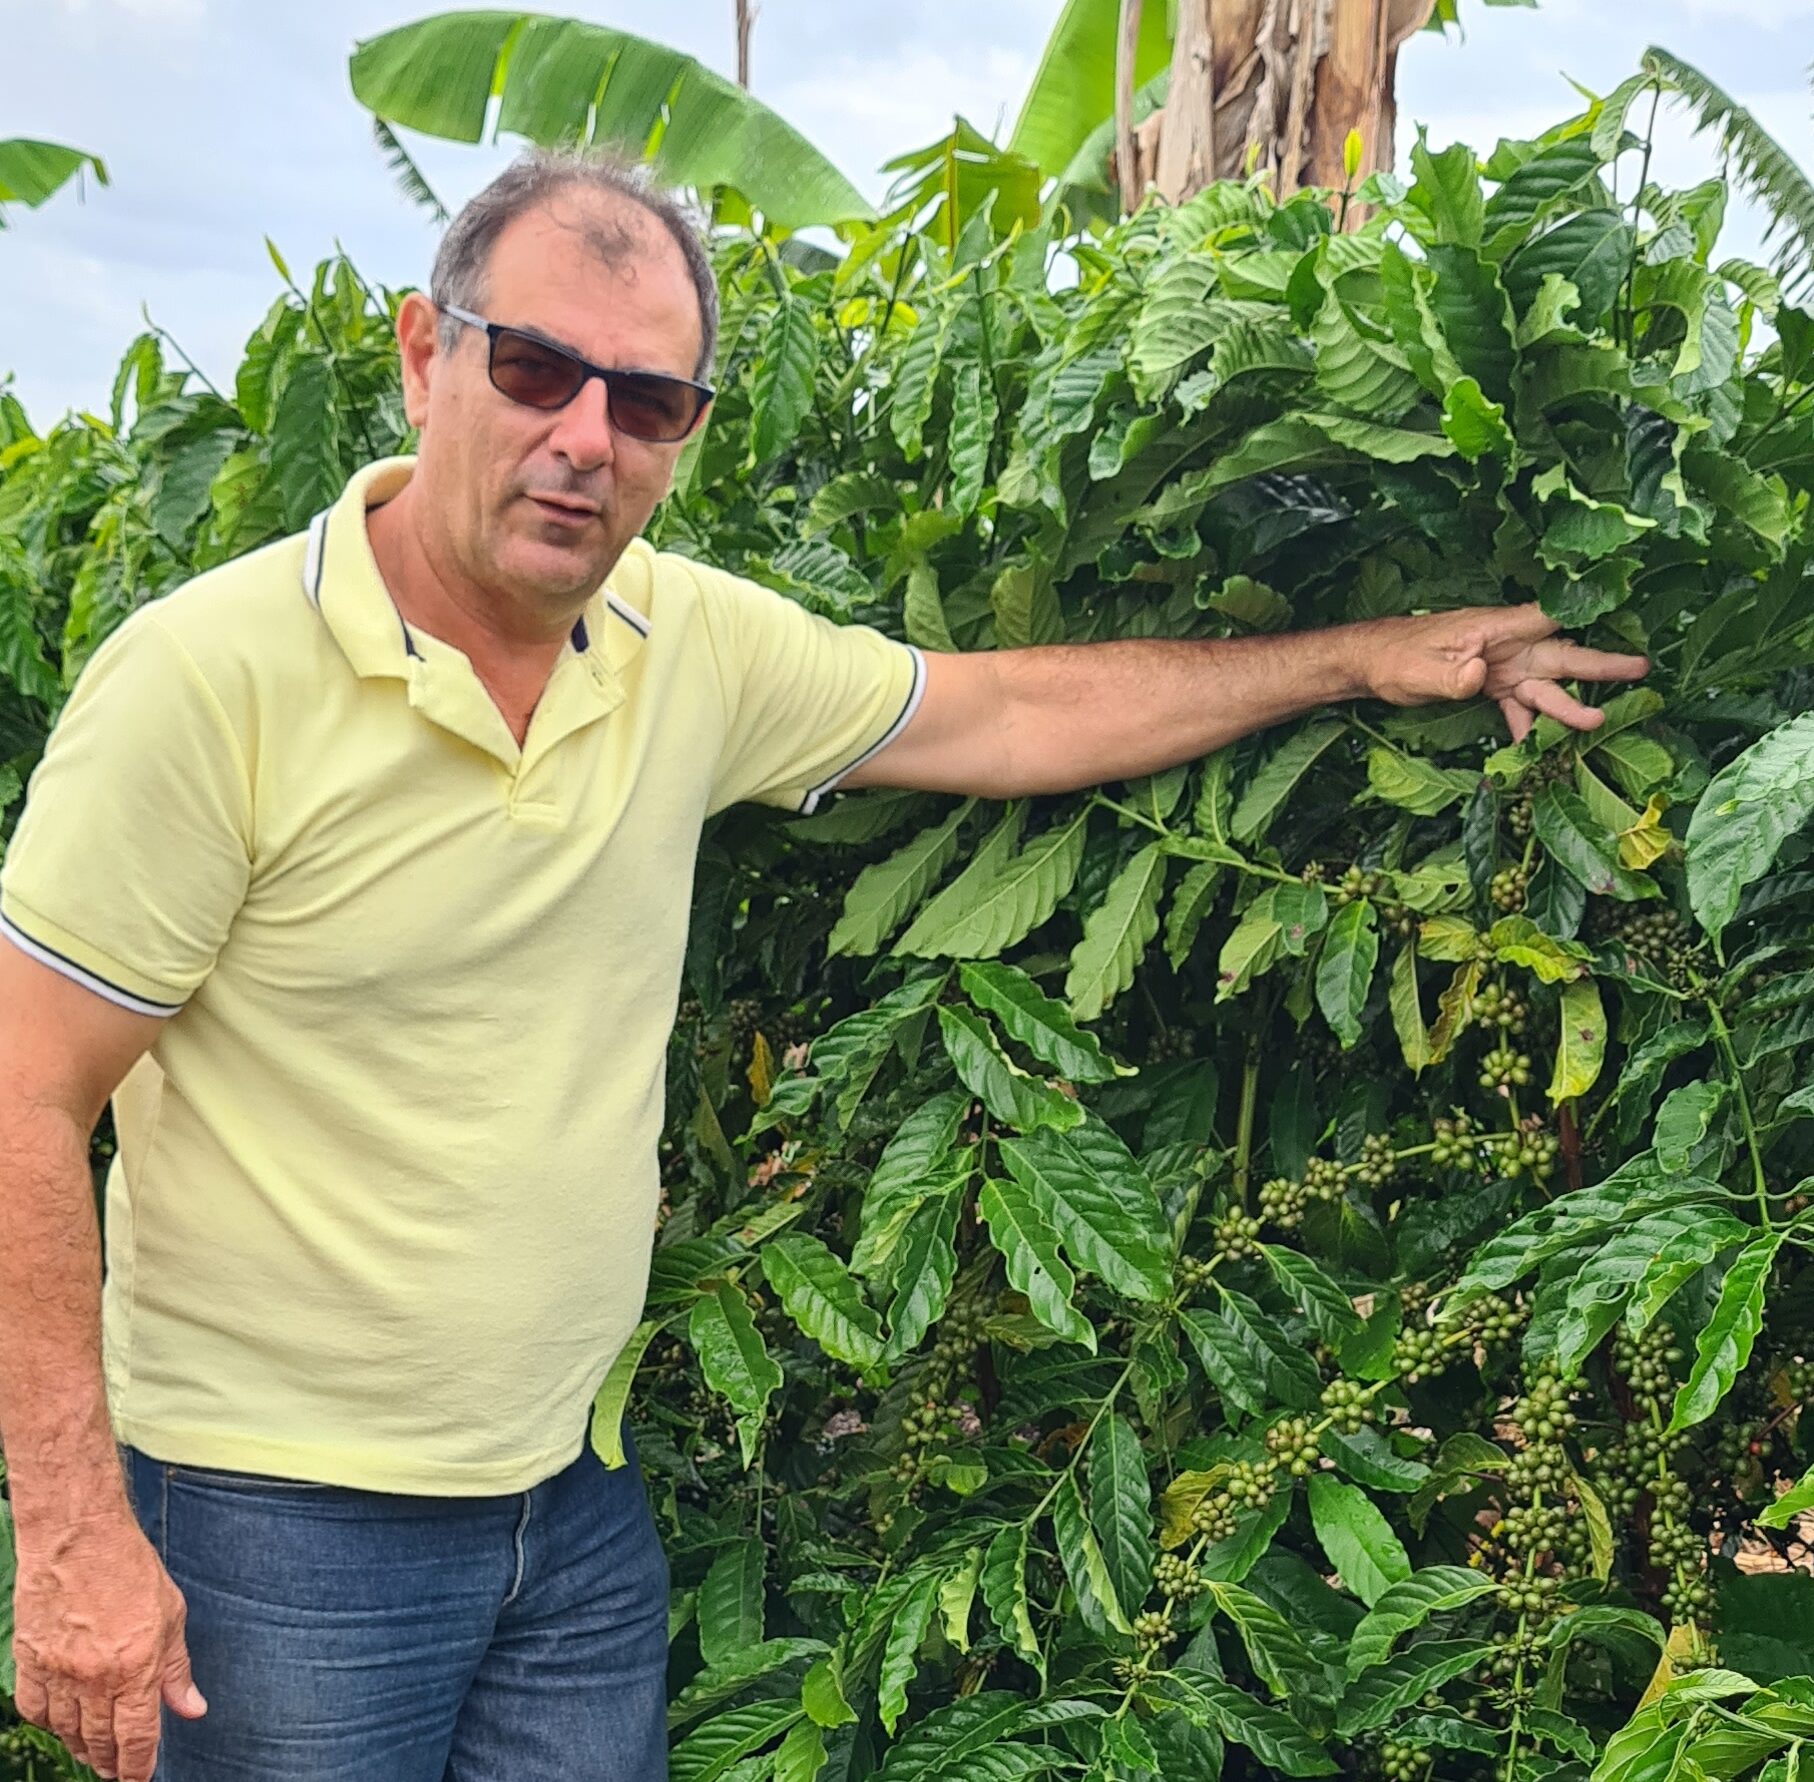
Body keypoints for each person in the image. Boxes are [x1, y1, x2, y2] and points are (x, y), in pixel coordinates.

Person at [0, 149, 1646, 1782]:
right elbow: (23, 1094)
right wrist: (72, 1530)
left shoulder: (682, 644)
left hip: (567, 1496)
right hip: (274, 1518)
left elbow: (1002, 710)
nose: (585, 437)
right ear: (427, 359)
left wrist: (1360, 655)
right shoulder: (207, 682)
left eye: (647, 402)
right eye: (536, 369)